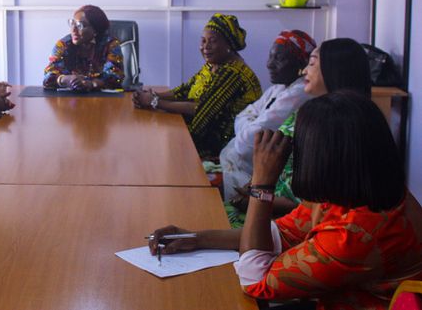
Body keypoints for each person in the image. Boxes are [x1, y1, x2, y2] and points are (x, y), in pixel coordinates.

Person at [148, 92, 422, 310]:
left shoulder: (355, 236)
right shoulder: (363, 192)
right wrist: (196, 238)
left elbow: (255, 280)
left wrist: (262, 185)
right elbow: (279, 234)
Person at [222, 38, 373, 226]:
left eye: (312, 63)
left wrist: (255, 196)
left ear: (334, 70)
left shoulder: (335, 129)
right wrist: (253, 190)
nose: (304, 71)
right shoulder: (311, 113)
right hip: (268, 201)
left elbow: (308, 204)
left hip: (288, 218)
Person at [133, 13, 261, 158]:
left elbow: (200, 108)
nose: (206, 46)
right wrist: (154, 96)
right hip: (204, 133)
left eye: (213, 41)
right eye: (203, 41)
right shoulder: (214, 65)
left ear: (228, 45)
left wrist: (154, 102)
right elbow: (186, 89)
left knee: (159, 146)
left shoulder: (233, 73)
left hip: (224, 148)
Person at [220, 30, 316, 203]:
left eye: (279, 59)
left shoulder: (300, 93)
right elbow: (241, 116)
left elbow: (246, 143)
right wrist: (253, 124)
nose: (269, 64)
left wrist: (252, 124)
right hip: (246, 171)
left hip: (263, 181)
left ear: (301, 63)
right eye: (271, 56)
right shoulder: (278, 88)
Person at [43, 4, 124, 91]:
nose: (73, 30)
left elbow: (115, 78)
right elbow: (48, 77)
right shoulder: (63, 45)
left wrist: (92, 84)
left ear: (95, 30)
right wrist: (66, 80)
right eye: (72, 23)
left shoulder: (110, 44)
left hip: (102, 97)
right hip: (69, 97)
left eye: (80, 25)